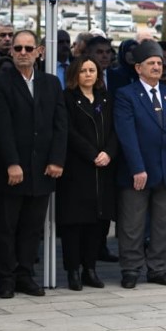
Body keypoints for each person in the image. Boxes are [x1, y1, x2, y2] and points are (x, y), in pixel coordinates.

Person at [0, 30, 67, 298]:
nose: (23, 53)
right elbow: (1, 127)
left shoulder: (51, 83)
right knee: (6, 227)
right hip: (12, 170)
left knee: (32, 227)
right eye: (18, 48)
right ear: (11, 52)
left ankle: (25, 274)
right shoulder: (0, 83)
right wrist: (12, 162)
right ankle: (6, 278)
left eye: (28, 48)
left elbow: (60, 124)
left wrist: (56, 159)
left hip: (42, 170)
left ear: (39, 52)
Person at [113, 40, 166, 289]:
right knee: (132, 224)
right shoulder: (126, 95)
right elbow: (126, 135)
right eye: (151, 63)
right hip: (138, 171)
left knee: (163, 224)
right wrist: (137, 168)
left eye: (159, 62)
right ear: (138, 68)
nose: (157, 67)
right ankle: (131, 268)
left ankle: (157, 268)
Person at [61, 57, 117, 290]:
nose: (88, 74)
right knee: (74, 223)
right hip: (77, 169)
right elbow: (68, 131)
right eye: (83, 70)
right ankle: (73, 270)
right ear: (75, 74)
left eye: (92, 70)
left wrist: (109, 153)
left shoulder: (106, 98)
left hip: (103, 169)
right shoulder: (67, 98)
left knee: (97, 222)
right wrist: (92, 153)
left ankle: (90, 269)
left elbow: (115, 130)